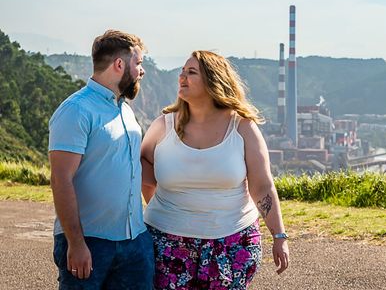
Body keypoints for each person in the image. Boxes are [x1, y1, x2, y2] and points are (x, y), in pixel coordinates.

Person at [141, 50, 290, 289]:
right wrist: (160, 205)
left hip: (233, 242)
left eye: (191, 72)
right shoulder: (163, 125)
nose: (182, 77)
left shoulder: (242, 127)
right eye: (182, 71)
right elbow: (143, 165)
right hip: (165, 242)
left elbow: (262, 187)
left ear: (213, 81)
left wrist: (279, 236)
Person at [48, 29, 154, 289]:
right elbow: (61, 179)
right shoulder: (76, 110)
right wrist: (76, 243)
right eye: (138, 64)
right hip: (89, 243)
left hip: (135, 241)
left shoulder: (126, 111)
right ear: (119, 64)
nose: (141, 71)